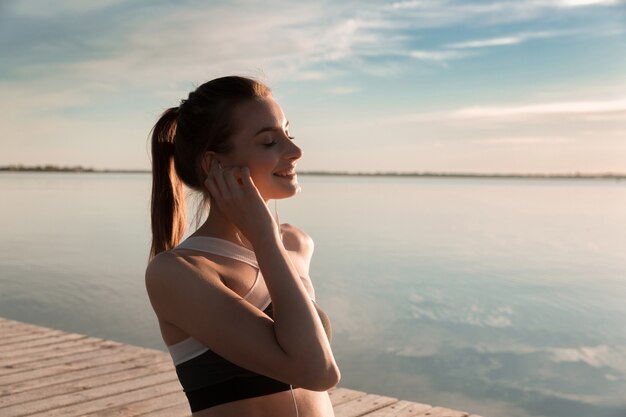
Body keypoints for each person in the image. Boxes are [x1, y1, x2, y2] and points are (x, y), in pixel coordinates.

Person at [145, 75, 340, 417]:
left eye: (288, 134)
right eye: (269, 142)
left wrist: (270, 239)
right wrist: (264, 236)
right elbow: (317, 372)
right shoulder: (179, 272)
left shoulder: (296, 243)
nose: (295, 151)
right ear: (214, 164)